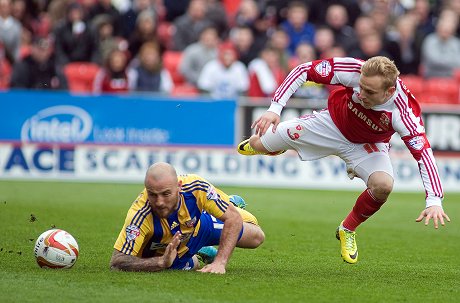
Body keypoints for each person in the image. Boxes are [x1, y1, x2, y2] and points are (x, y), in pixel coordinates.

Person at [237, 56, 450, 264]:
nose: (361, 93)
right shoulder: (354, 70)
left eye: (370, 92)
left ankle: (347, 229)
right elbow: (302, 71)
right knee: (256, 144)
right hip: (330, 125)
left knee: (383, 186)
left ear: (389, 91)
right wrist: (275, 109)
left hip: (366, 145)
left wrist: (434, 201)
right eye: (361, 87)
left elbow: (424, 155)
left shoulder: (404, 113)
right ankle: (275, 148)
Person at [110, 162, 265, 274]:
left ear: (179, 187)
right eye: (153, 195)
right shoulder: (140, 214)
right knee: (174, 267)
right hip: (169, 251)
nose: (159, 202)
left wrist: (220, 262)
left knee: (256, 237)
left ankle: (224, 204)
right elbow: (117, 261)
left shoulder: (196, 187)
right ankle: (200, 252)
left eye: (166, 194)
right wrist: (160, 262)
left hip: (199, 226)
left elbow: (234, 219)